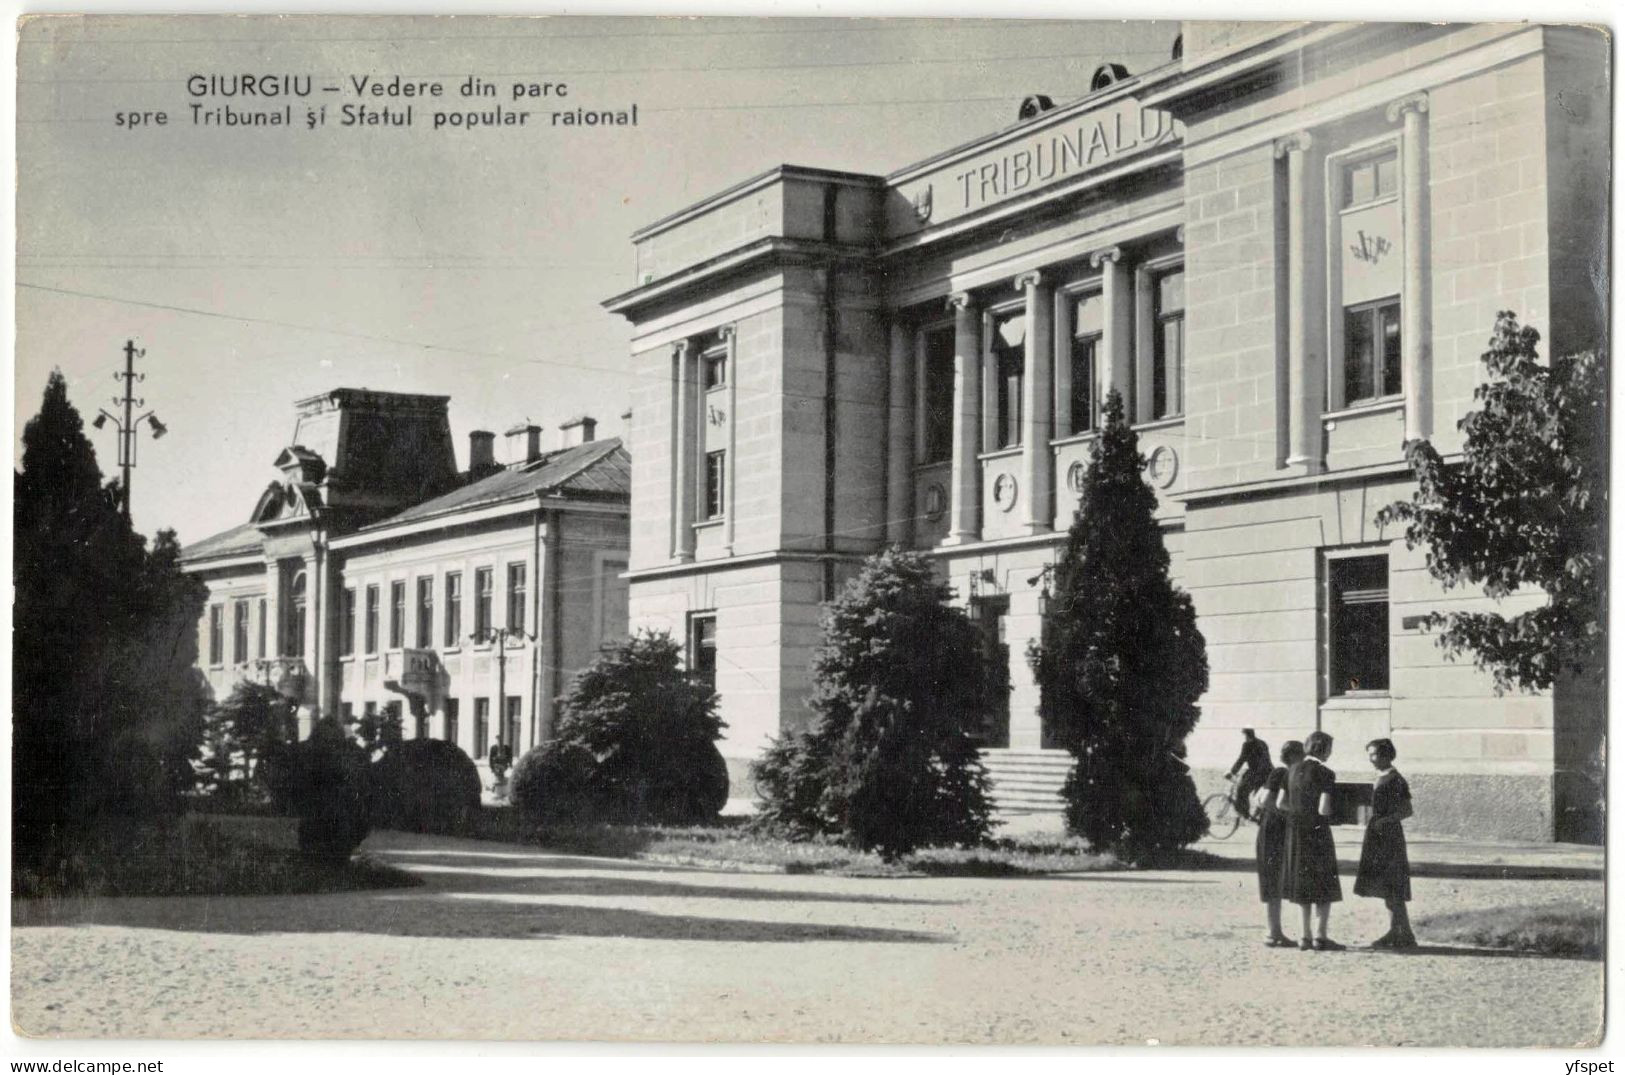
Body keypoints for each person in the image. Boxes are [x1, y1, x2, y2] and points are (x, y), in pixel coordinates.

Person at [1281, 730, 1343, 951]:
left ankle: (1304, 936)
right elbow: (1324, 808)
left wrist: (1299, 812)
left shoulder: (1292, 770)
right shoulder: (1326, 773)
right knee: (1324, 884)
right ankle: (1320, 936)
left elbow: (1281, 803)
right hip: (1317, 832)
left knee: (1302, 884)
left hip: (1296, 832)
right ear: (1324, 749)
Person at [1354, 737, 1417, 950]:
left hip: (1389, 837)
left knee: (1392, 885)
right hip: (1378, 835)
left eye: (1374, 754)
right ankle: (1401, 931)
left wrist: (1386, 820)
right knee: (1387, 886)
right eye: (1370, 754)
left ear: (1386, 755)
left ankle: (1400, 932)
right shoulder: (1381, 777)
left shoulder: (1395, 779)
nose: (1371, 759)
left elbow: (1407, 810)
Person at [1256, 739, 1305, 947]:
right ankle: (1272, 932)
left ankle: (1275, 931)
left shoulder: (1280, 773)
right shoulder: (1282, 773)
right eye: (1301, 755)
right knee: (1272, 880)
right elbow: (1266, 800)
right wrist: (1288, 814)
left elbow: (1258, 798)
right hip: (1273, 832)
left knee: (1274, 881)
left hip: (1272, 830)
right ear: (1293, 756)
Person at [1227, 728, 1273, 821]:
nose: (1244, 738)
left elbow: (1242, 759)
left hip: (1261, 772)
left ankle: (1246, 814)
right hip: (1265, 771)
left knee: (1242, 790)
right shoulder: (1261, 743)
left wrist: (1232, 772)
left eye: (1245, 735)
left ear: (1247, 735)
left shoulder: (1249, 745)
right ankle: (1253, 815)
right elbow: (1242, 759)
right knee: (1255, 794)